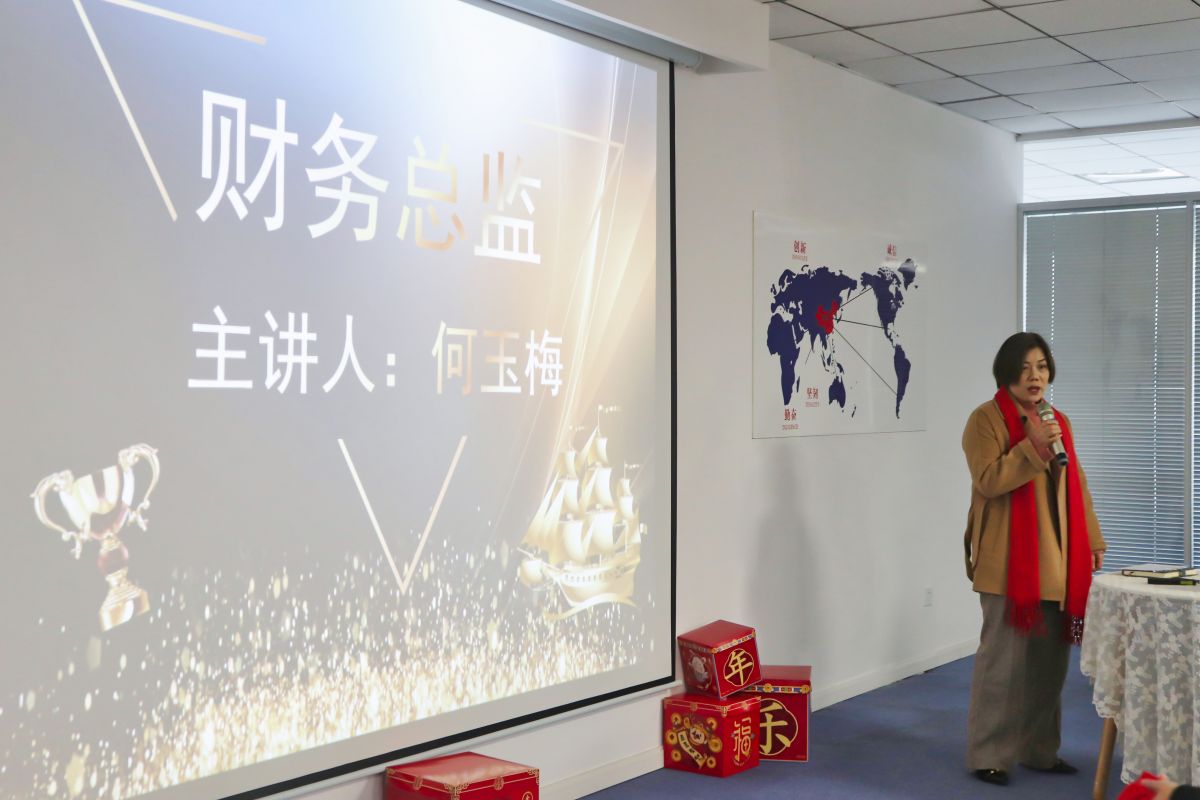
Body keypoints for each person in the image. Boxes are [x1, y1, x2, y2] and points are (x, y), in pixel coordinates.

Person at [962, 332, 1106, 787]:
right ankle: (990, 755)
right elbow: (988, 479)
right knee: (1002, 665)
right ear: (1006, 371)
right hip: (1009, 562)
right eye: (1024, 367)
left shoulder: (1056, 420)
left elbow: (1077, 484)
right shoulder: (985, 420)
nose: (1035, 375)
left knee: (1048, 667)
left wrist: (1093, 539)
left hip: (1057, 559)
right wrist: (1032, 447)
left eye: (1041, 366)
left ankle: (1040, 751)